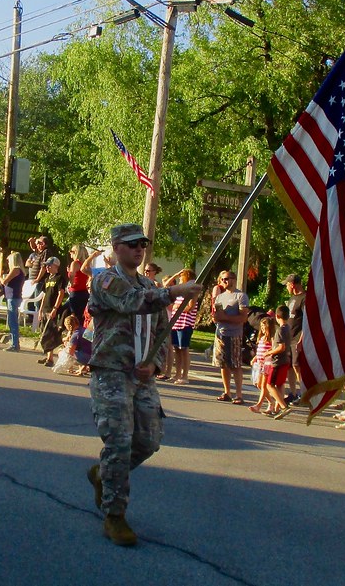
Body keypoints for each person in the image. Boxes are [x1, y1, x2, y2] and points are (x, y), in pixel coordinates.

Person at [85, 223, 202, 547]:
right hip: (111, 371)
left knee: (149, 440)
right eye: (133, 243)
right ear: (116, 247)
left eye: (143, 244)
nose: (140, 249)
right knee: (119, 442)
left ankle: (104, 473)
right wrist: (174, 292)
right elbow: (132, 302)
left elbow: (162, 330)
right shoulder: (105, 280)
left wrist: (155, 364)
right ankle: (114, 514)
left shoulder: (150, 285)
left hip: (141, 375)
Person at [212, 270, 249, 405]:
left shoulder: (241, 296)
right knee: (223, 364)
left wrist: (225, 317)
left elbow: (243, 318)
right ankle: (227, 392)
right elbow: (217, 315)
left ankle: (239, 394)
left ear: (233, 279)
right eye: (222, 279)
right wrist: (216, 317)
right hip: (220, 333)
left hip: (234, 334)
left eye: (227, 279)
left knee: (235, 365)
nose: (224, 281)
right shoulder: (220, 297)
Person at [167, 269, 197, 384]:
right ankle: (177, 374)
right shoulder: (181, 291)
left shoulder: (192, 291)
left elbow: (190, 307)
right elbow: (166, 286)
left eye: (181, 276)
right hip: (176, 323)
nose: (179, 279)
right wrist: (175, 274)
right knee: (177, 349)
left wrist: (177, 307)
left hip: (185, 323)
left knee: (184, 349)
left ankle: (185, 376)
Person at [37, 257, 66, 365]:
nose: (47, 268)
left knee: (50, 333)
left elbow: (61, 294)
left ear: (55, 266)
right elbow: (44, 295)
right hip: (45, 308)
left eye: (49, 265)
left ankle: (50, 359)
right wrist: (40, 310)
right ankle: (47, 356)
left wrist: (55, 308)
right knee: (44, 332)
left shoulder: (59, 278)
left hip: (52, 309)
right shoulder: (47, 279)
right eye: (46, 265)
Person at [263, 306, 292, 417]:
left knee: (270, 385)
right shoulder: (287, 328)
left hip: (278, 361)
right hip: (285, 360)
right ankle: (277, 409)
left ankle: (284, 407)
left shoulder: (280, 330)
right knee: (279, 384)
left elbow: (281, 347)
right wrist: (272, 349)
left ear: (277, 316)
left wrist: (269, 353)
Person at [283, 273, 306, 403]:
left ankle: (303, 393)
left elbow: (307, 320)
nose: (286, 287)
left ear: (292, 284)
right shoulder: (292, 298)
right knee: (289, 366)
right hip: (289, 337)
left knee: (297, 365)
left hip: (298, 337)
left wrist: (301, 340)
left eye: (287, 284)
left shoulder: (304, 298)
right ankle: (293, 393)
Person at [249, 317, 275, 414]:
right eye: (262, 327)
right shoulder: (262, 338)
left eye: (265, 327)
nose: (263, 329)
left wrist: (269, 353)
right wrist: (255, 358)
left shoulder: (271, 339)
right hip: (260, 364)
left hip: (267, 364)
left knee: (264, 385)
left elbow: (272, 350)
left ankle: (258, 405)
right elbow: (260, 351)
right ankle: (271, 402)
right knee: (259, 384)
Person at [1, 252, 26, 352]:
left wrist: (0, 277)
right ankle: (14, 342)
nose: (8, 263)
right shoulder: (19, 270)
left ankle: (15, 344)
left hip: (13, 297)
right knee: (11, 320)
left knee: (13, 321)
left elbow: (4, 281)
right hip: (11, 297)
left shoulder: (16, 269)